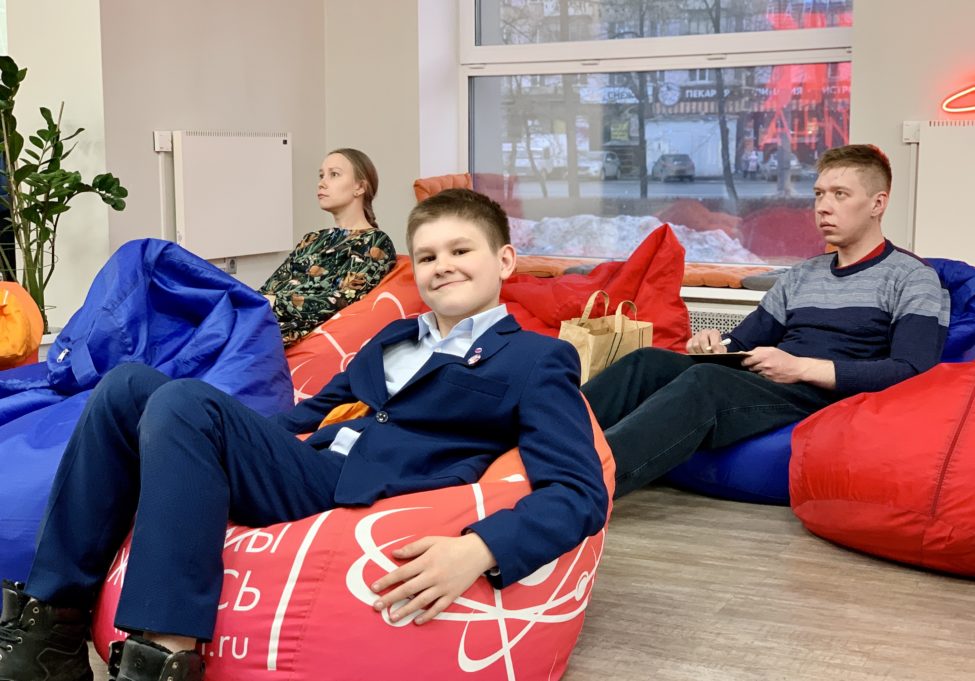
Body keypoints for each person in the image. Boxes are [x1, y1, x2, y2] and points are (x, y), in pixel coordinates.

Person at [0, 188, 608, 681]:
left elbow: (580, 491)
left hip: (363, 490)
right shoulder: (393, 338)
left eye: (461, 250)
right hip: (307, 465)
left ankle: (165, 653)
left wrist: (478, 550)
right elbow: (308, 414)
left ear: (504, 261)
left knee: (183, 401)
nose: (442, 265)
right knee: (128, 385)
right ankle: (52, 624)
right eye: (426, 257)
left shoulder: (536, 359)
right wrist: (215, 439)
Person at [583, 144, 949, 499]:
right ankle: (550, 439)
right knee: (646, 362)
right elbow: (742, 341)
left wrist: (801, 368)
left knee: (706, 381)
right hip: (774, 383)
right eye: (819, 194)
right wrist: (714, 344)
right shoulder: (801, 275)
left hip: (826, 396)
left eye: (840, 194)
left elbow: (912, 370)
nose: (823, 207)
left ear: (877, 204)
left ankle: (584, 484)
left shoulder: (912, 277)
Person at [259, 147, 395, 345]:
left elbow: (341, 301)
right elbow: (269, 288)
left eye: (334, 175)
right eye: (321, 175)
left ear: (359, 187)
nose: (322, 183)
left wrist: (273, 302)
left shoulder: (374, 241)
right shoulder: (313, 239)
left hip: (285, 337)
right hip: (261, 323)